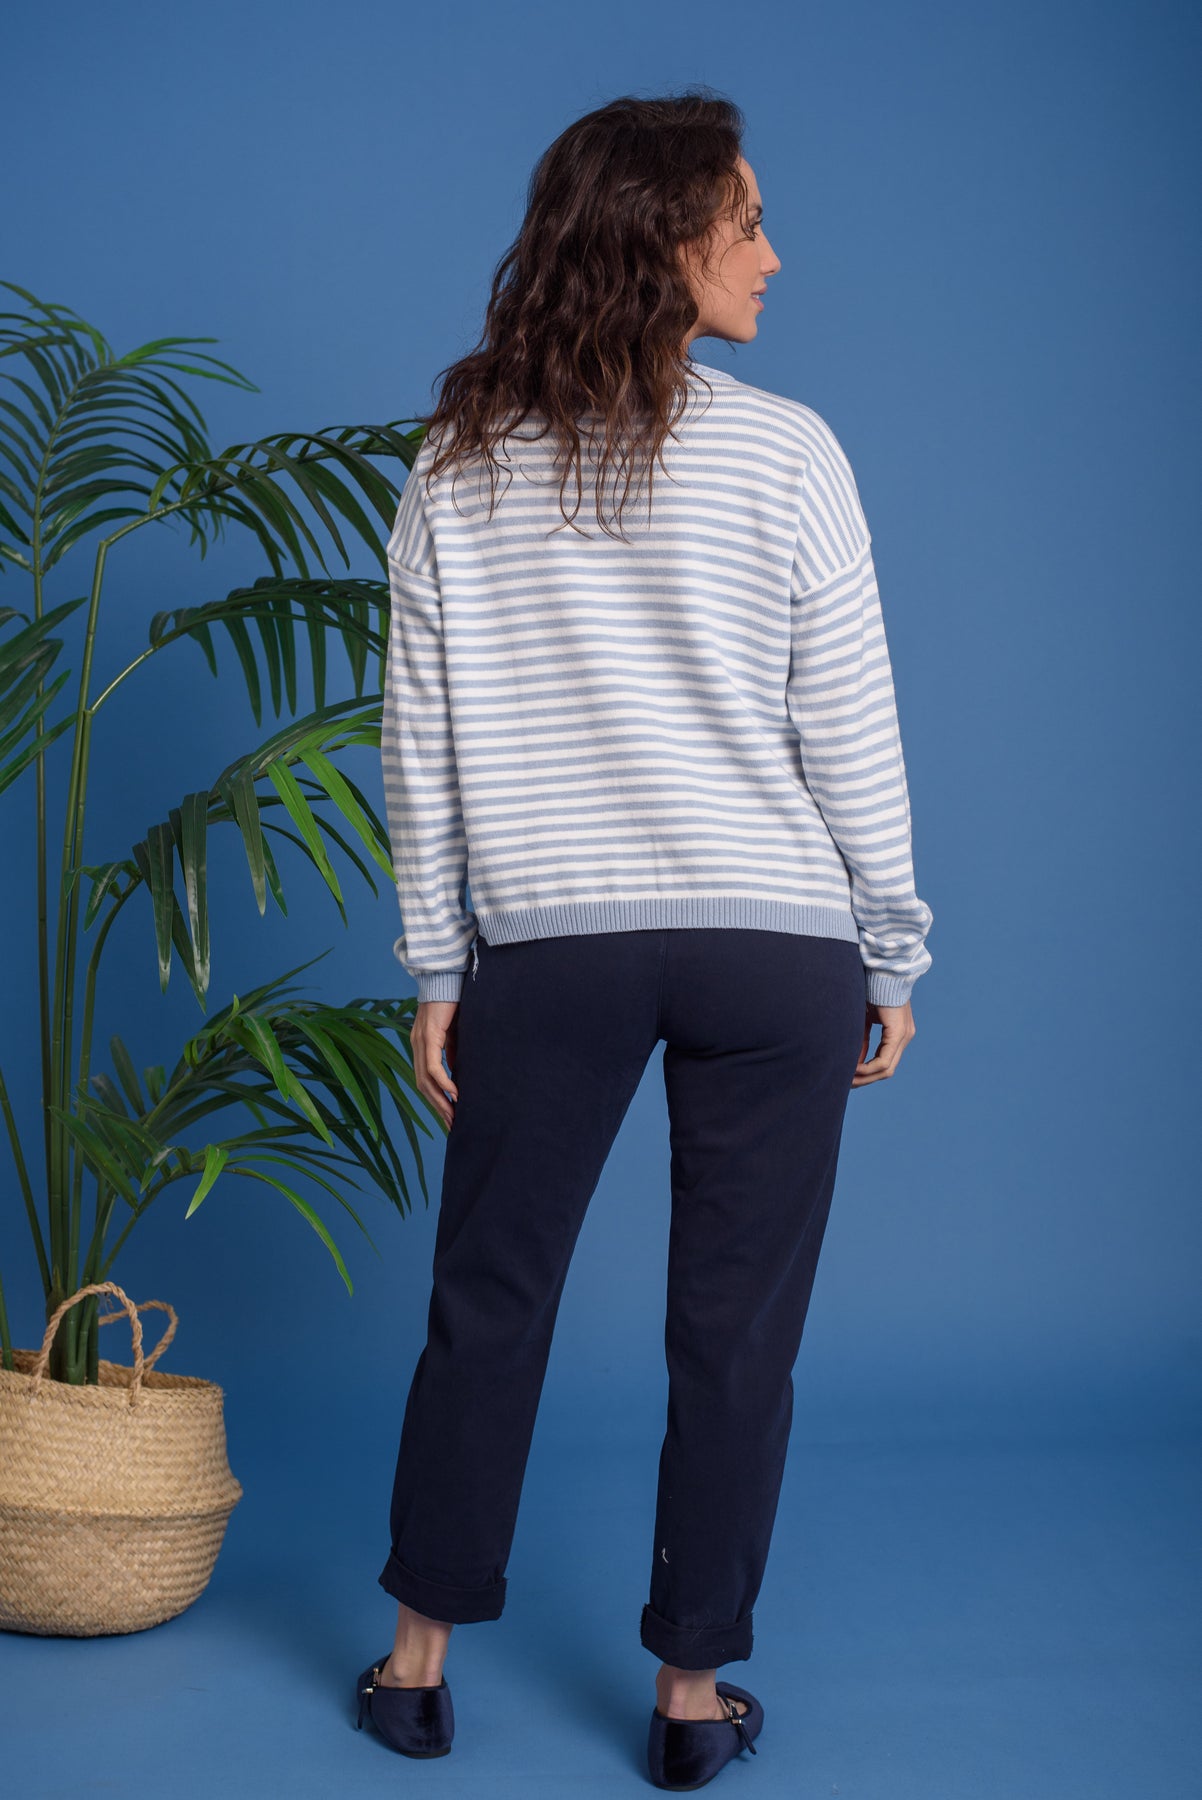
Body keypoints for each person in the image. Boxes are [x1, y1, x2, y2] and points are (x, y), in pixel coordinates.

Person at [355, 90, 933, 1790]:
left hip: (556, 944)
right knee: (735, 1330)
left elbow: (418, 741)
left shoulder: (458, 461)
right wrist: (890, 949)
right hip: (775, 942)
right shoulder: (790, 451)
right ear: (664, 237)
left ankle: (414, 1671)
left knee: (490, 1298)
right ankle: (688, 1701)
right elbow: (851, 727)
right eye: (744, 220)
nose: (773, 254)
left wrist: (439, 963)